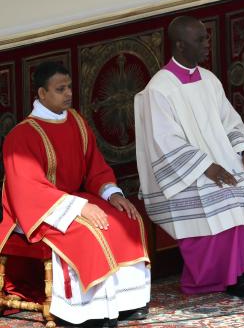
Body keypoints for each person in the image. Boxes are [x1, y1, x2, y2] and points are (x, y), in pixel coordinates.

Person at [134, 16, 244, 297]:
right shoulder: (158, 90)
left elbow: (230, 122)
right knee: (227, 198)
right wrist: (206, 167)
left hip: (223, 160)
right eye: (200, 40)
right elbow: (164, 142)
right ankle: (229, 274)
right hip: (185, 173)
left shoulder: (208, 79)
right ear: (179, 45)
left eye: (207, 37)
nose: (207, 44)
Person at [1, 61, 150, 328]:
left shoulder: (77, 123)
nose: (69, 93)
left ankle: (127, 303)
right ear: (42, 94)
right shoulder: (21, 136)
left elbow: (95, 167)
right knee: (90, 231)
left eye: (69, 87)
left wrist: (112, 194)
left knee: (124, 218)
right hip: (38, 211)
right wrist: (79, 207)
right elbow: (29, 190)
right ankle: (83, 314)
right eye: (60, 89)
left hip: (70, 200)